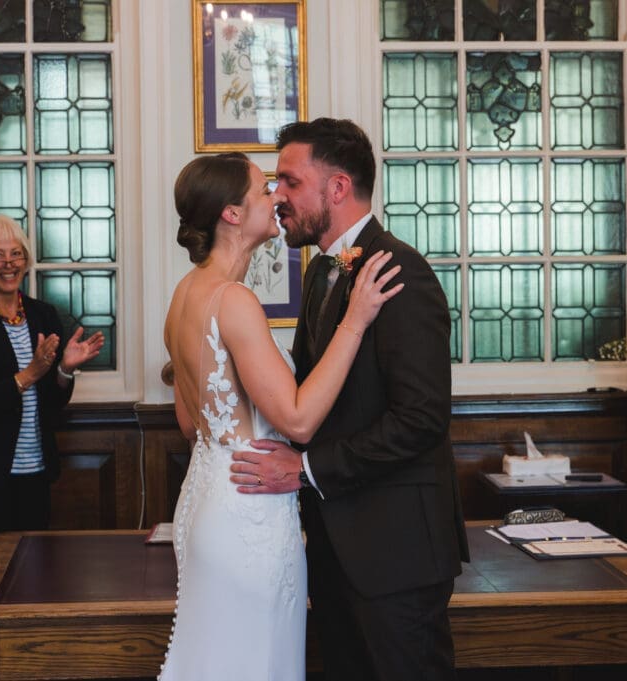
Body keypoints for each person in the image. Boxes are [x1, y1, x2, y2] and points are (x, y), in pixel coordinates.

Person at [229, 118, 469, 681]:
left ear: (336, 188)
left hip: (395, 552)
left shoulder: (400, 272)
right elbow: (313, 396)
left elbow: (421, 420)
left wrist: (307, 469)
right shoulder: (320, 273)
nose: (277, 196)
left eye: (289, 181)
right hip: (336, 547)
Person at [159, 151, 402, 681]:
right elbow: (297, 422)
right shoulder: (233, 300)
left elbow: (188, 423)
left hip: (207, 501)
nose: (277, 198)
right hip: (249, 511)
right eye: (263, 189)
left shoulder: (183, 297)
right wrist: (355, 321)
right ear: (231, 213)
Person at [0, 214, 104, 565]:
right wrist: (29, 374)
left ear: (26, 260)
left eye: (16, 254)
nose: (8, 264)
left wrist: (64, 369)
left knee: (35, 572)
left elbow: (52, 403)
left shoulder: (44, 316)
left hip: (35, 470)